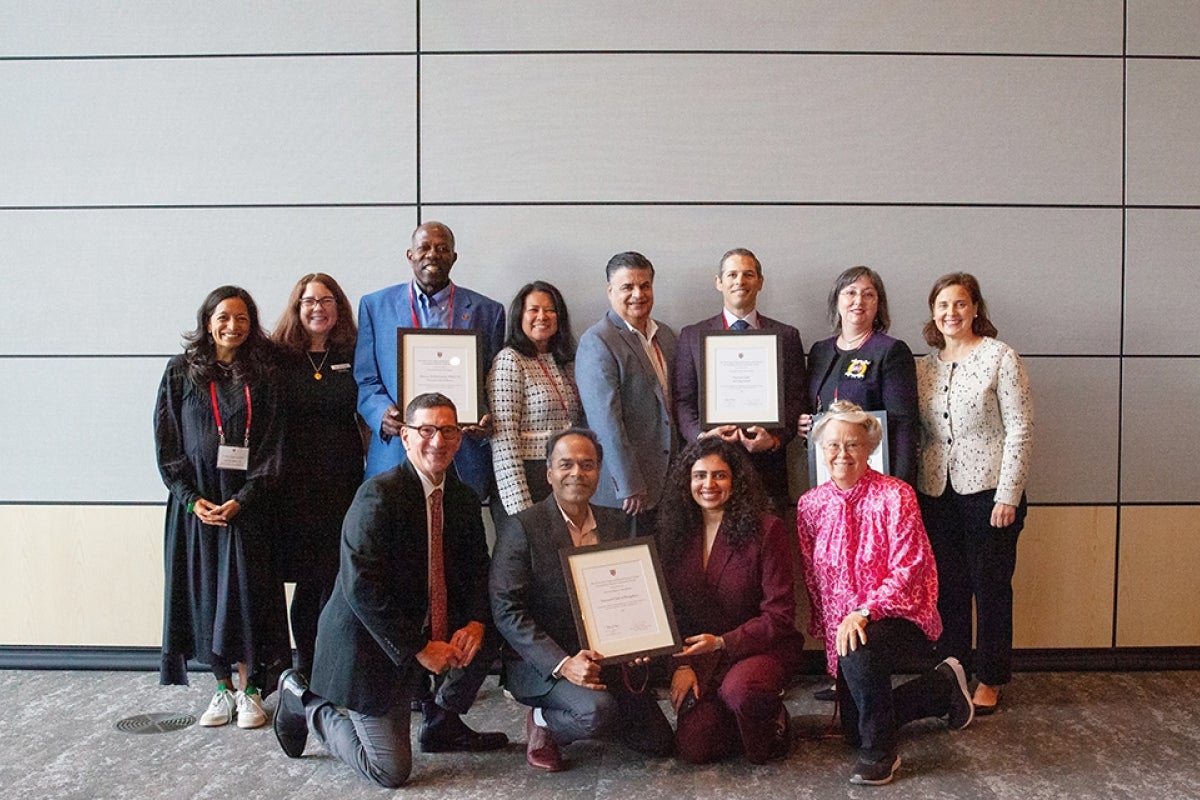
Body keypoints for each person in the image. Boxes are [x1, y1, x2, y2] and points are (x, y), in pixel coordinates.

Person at [272, 393, 508, 789]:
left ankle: (441, 722)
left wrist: (475, 622)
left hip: (425, 629)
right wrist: (419, 648)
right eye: (426, 430)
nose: (438, 440)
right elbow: (362, 587)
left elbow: (475, 571)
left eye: (448, 430)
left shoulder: (464, 499)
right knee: (390, 770)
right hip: (372, 643)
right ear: (405, 438)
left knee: (497, 628)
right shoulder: (378, 496)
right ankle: (303, 699)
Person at [797, 401, 974, 786]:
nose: (842, 454)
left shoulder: (897, 495)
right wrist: (829, 633)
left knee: (861, 652)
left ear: (870, 447)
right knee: (855, 729)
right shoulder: (810, 505)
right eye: (832, 445)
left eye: (853, 445)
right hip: (845, 633)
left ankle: (881, 756)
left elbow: (909, 569)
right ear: (819, 450)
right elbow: (815, 579)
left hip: (900, 616)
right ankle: (942, 687)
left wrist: (863, 611)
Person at [490, 428, 674, 772]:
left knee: (658, 742)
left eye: (587, 465)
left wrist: (640, 641)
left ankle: (596, 713)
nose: (577, 473)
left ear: (598, 473)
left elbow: (635, 595)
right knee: (596, 713)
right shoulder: (522, 528)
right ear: (549, 473)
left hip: (607, 660)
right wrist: (563, 663)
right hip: (548, 664)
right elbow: (507, 611)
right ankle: (544, 721)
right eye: (566, 464)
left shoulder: (618, 524)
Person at [154, 285, 289, 729]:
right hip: (198, 510)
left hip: (248, 506)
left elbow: (272, 447)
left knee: (248, 596)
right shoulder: (180, 374)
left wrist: (243, 499)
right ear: (208, 322)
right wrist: (194, 502)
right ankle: (221, 689)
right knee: (206, 594)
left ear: (252, 326)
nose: (233, 326)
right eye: (224, 317)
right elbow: (168, 446)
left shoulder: (265, 375)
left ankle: (251, 690)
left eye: (242, 319)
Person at [916, 272, 1033, 715]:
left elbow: (1021, 430)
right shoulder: (923, 366)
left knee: (990, 587)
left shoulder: (1000, 357)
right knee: (948, 588)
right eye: (943, 305)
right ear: (933, 313)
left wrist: (1009, 495)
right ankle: (954, 671)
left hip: (990, 493)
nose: (952, 313)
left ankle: (991, 677)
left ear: (976, 308)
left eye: (960, 304)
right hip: (936, 491)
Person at [657, 437, 804, 764]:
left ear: (735, 480)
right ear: (687, 481)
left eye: (719, 475)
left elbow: (779, 615)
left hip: (759, 649)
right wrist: (680, 664)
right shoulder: (674, 532)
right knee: (696, 748)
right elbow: (669, 612)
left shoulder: (768, 529)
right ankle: (738, 715)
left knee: (742, 691)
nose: (708, 484)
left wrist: (723, 642)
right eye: (699, 475)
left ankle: (771, 715)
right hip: (700, 657)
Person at [354, 221, 505, 501]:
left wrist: (485, 417)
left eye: (442, 248)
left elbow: (492, 383)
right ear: (410, 255)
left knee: (458, 539)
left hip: (462, 453)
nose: (432, 254)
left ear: (454, 257)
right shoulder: (375, 306)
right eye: (423, 247)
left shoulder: (489, 311)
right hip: (397, 450)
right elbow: (365, 377)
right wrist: (380, 413)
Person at [271, 273, 364, 680]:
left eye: (327, 301)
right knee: (308, 583)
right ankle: (305, 665)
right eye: (309, 301)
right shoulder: (278, 358)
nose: (318, 308)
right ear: (297, 308)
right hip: (294, 487)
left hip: (343, 481)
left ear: (338, 308)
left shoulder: (354, 353)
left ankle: (334, 663)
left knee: (336, 578)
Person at [674, 248, 808, 516]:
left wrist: (773, 440)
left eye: (748, 274)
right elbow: (683, 400)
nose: (740, 281)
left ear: (760, 281)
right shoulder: (691, 336)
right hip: (711, 467)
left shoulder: (787, 336)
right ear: (718, 282)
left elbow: (797, 399)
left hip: (767, 470)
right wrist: (701, 437)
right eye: (732, 274)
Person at [576, 252, 678, 536]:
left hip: (667, 481)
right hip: (625, 493)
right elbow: (605, 421)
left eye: (645, 285)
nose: (638, 294)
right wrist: (628, 483)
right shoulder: (597, 341)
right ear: (610, 292)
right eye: (627, 287)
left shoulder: (666, 336)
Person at [799, 266, 919, 486]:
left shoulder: (890, 351)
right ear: (837, 300)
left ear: (878, 305)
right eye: (851, 292)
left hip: (876, 474)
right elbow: (814, 407)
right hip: (828, 474)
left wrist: (900, 486)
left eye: (868, 294)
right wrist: (806, 423)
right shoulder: (820, 352)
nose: (858, 301)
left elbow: (904, 426)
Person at [488, 281, 584, 517]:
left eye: (550, 310)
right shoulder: (509, 361)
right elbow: (504, 441)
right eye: (534, 310)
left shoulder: (568, 362)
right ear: (520, 316)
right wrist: (521, 509)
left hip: (565, 479)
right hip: (527, 480)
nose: (542, 316)